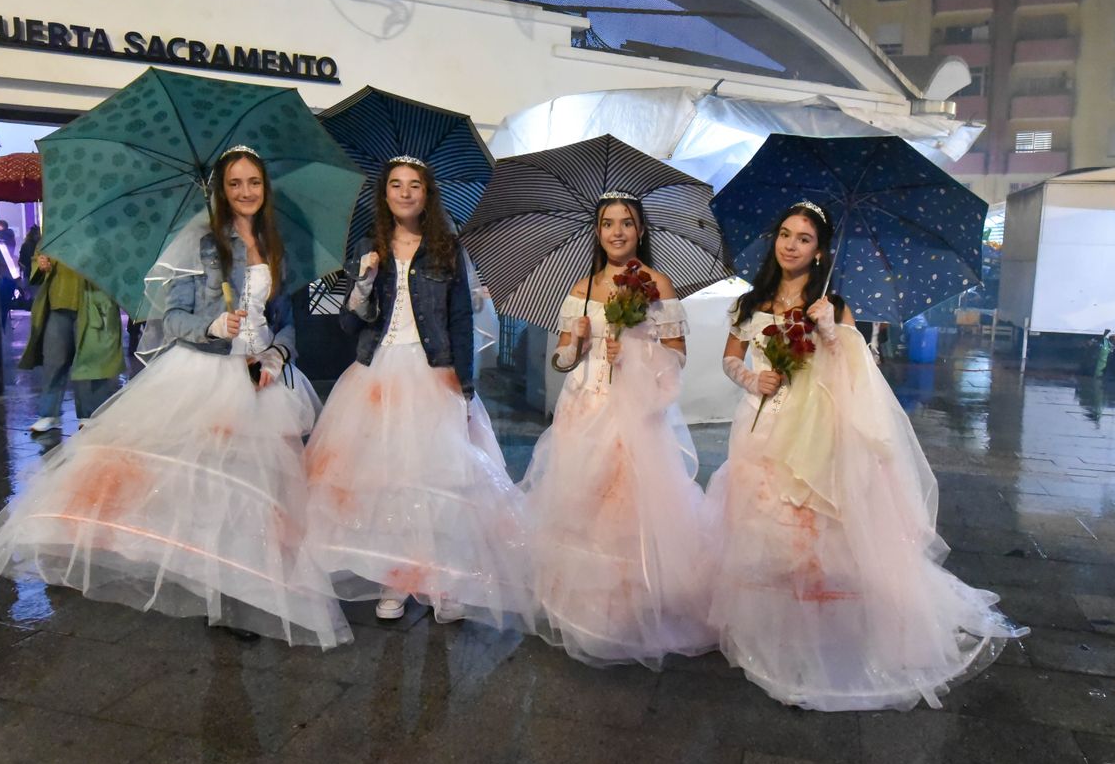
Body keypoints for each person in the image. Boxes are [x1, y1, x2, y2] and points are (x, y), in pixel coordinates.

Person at [0, 146, 350, 648]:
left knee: (261, 490)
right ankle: (218, 594)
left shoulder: (275, 244)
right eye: (235, 183)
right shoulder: (204, 242)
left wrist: (276, 354)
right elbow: (173, 319)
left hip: (262, 379)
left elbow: (286, 322)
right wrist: (212, 325)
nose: (246, 192)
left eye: (254, 182)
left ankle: (248, 580)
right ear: (221, 190)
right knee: (215, 488)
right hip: (209, 375)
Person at [705, 201, 1025, 711]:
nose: (790, 245)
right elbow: (729, 357)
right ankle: (770, 628)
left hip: (812, 432)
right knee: (761, 525)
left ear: (820, 250)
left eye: (803, 238)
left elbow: (861, 372)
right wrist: (750, 377)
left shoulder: (832, 302)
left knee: (807, 530)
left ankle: (816, 633)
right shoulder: (749, 302)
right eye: (784, 234)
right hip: (758, 425)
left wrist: (831, 331)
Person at [303, 156, 531, 625]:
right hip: (377, 376)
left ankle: (444, 580)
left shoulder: (447, 248)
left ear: (427, 194)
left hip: (433, 374)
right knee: (387, 483)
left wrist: (464, 386)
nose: (405, 193)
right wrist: (362, 283)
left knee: (440, 480)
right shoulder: (371, 247)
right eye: (396, 185)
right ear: (384, 194)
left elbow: (461, 320)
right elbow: (350, 323)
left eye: (414, 186)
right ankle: (395, 578)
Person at [520, 192, 718, 668]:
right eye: (607, 223)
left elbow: (678, 355)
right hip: (583, 408)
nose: (616, 232)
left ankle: (628, 608)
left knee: (624, 506)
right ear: (596, 231)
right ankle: (583, 602)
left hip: (634, 413)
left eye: (626, 223)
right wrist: (579, 345)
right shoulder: (583, 286)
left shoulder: (657, 284)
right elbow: (562, 359)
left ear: (641, 231)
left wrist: (634, 356)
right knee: (581, 503)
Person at [22, 253, 123, 433]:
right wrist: (41, 263)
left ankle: (90, 413)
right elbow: (38, 257)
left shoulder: (99, 234)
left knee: (89, 360)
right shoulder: (56, 231)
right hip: (57, 303)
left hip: (92, 304)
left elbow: (114, 264)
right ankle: (49, 414)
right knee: (53, 360)